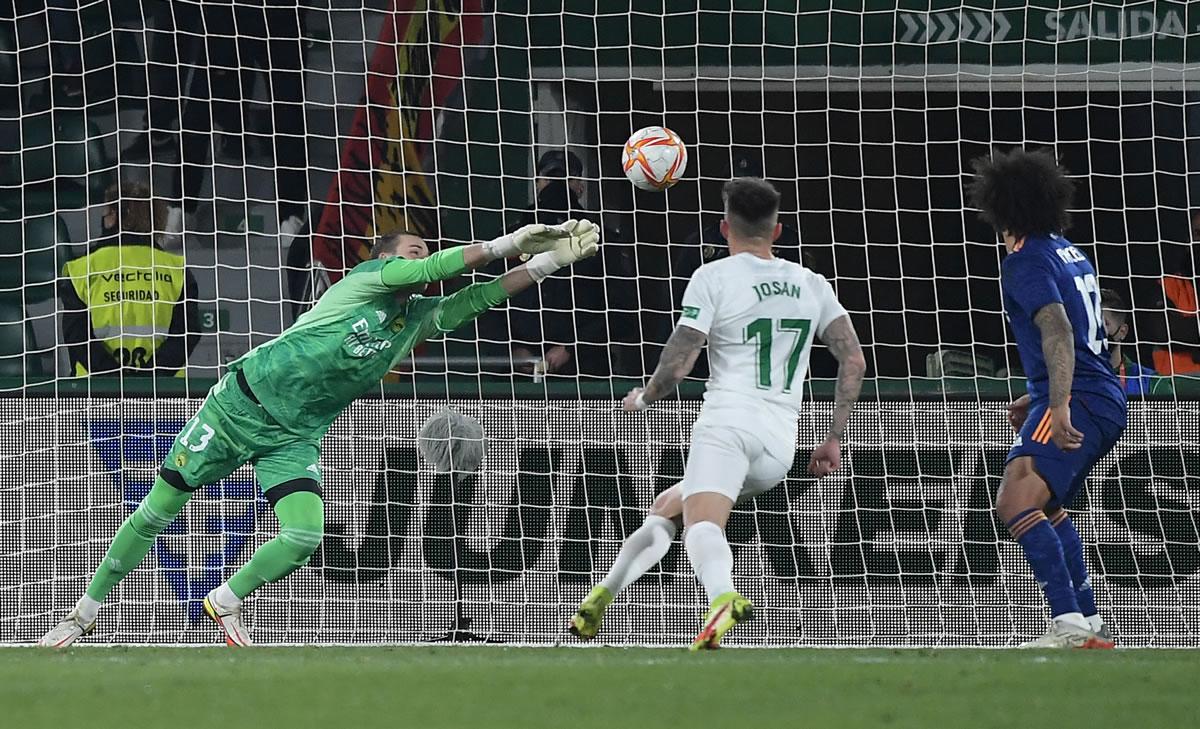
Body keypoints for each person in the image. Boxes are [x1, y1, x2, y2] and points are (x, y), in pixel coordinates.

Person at [39, 219, 600, 648]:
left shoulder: (417, 319)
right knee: (157, 511)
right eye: (412, 249)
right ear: (382, 259)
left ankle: (226, 600)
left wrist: (549, 260)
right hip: (238, 406)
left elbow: (479, 297)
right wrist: (508, 241)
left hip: (295, 436)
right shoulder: (367, 279)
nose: (421, 258)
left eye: (425, 251)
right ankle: (83, 614)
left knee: (304, 535)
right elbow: (434, 271)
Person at [568, 178, 866, 649]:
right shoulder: (812, 283)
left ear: (724, 227)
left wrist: (645, 398)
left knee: (703, 525)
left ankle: (723, 597)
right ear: (778, 229)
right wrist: (832, 438)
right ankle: (602, 597)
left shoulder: (713, 276)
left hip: (727, 424)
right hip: (779, 444)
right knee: (669, 509)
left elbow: (681, 356)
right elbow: (853, 360)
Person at [969, 148, 1124, 648]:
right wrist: (1036, 394)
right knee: (1045, 503)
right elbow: (1081, 333)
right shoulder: (1068, 251)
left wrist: (1055, 405)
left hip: (1078, 394)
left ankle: (1068, 623)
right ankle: (1087, 620)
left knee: (1015, 497)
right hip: (1098, 392)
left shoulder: (1025, 261)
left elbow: (1057, 329)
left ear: (999, 207)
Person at [504, 150, 627, 376]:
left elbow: (621, 309)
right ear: (537, 183)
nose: (558, 186)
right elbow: (490, 301)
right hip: (516, 371)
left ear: (580, 186)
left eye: (567, 179)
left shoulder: (601, 238)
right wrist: (511, 348)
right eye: (550, 179)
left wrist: (572, 348)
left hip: (585, 369)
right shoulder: (512, 238)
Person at [60, 182, 200, 377]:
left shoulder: (82, 269)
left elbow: (77, 338)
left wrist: (115, 380)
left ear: (114, 216)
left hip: (93, 392)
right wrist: (148, 380)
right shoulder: (176, 269)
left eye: (106, 212)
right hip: (164, 394)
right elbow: (187, 334)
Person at [1150, 211, 1200, 375]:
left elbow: (1184, 332)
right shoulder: (1167, 285)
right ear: (1188, 241)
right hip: (1177, 387)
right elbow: (1166, 332)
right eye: (1198, 233)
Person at [1100, 288, 1171, 396]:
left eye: (1104, 324)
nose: (1096, 330)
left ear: (1122, 332)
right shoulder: (1071, 379)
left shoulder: (1152, 383)